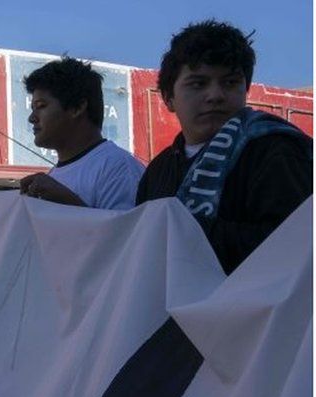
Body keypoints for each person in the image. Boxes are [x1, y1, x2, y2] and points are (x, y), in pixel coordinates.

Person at [135, 20, 312, 274]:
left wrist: (186, 232)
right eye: (198, 83)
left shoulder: (276, 152)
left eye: (229, 83)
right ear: (168, 98)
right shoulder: (157, 171)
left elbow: (298, 251)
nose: (215, 95)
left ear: (245, 89)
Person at [19, 57, 145, 210]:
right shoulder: (51, 178)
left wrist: (68, 204)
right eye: (32, 108)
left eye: (41, 106)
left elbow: (127, 233)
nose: (31, 118)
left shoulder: (118, 168)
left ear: (77, 108)